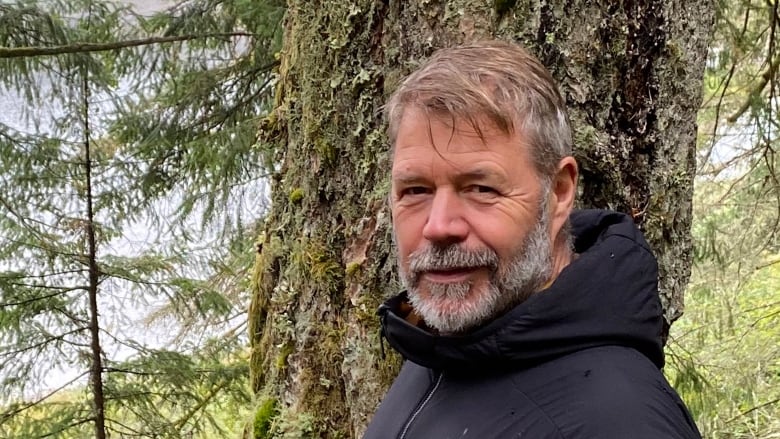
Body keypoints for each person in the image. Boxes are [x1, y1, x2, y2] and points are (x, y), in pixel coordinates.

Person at [363, 40, 702, 439]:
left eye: (480, 188)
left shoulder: (618, 420)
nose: (438, 227)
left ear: (558, 192)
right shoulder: (442, 351)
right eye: (416, 190)